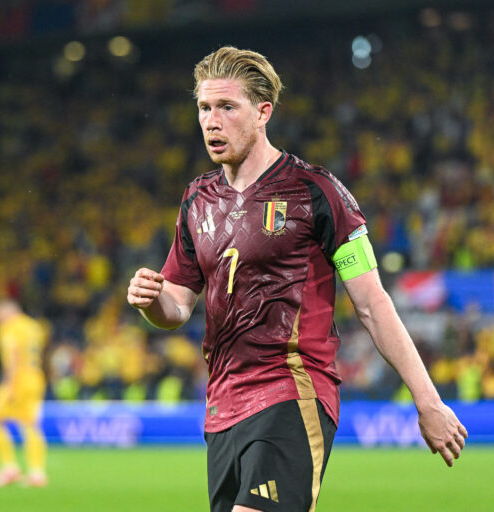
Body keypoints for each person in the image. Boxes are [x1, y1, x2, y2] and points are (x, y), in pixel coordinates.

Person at [126, 46, 467, 512]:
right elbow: (178, 307)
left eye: (227, 107)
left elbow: (372, 303)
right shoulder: (197, 200)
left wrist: (427, 401)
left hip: (293, 391)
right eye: (204, 108)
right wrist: (151, 300)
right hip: (223, 407)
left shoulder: (319, 194)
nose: (211, 120)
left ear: (263, 111)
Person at [0, 299, 49, 487]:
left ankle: (10, 469)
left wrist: (9, 385)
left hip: (18, 380)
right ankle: (36, 472)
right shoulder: (33, 326)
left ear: (6, 312)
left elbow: (12, 355)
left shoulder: (10, 328)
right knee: (30, 424)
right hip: (35, 377)